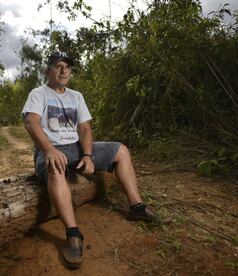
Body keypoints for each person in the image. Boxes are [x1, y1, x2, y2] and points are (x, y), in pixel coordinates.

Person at [21, 51, 158, 268]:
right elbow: (31, 122)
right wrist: (48, 150)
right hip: (49, 149)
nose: (64, 70)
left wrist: (87, 154)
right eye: (58, 65)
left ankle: (136, 207)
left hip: (75, 148)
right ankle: (73, 234)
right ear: (48, 71)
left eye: (67, 66)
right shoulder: (38, 94)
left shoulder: (77, 96)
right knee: (56, 167)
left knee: (120, 150)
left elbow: (85, 128)